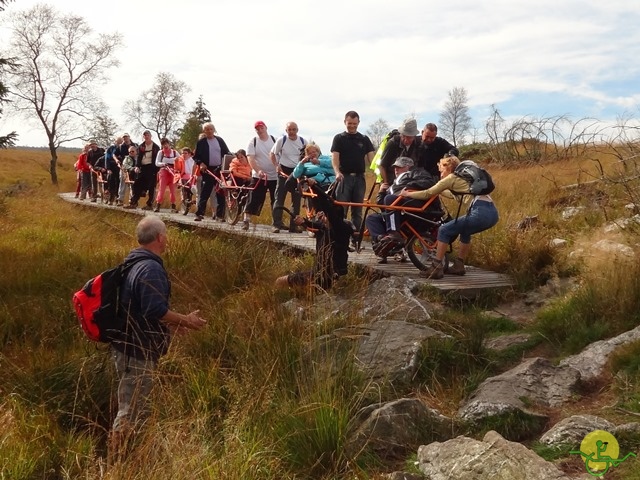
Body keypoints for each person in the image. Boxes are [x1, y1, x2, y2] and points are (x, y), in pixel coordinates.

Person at [109, 216, 207, 462]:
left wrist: (173, 325)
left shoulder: (133, 262)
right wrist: (186, 320)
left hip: (128, 347)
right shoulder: (150, 268)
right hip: (137, 351)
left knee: (135, 408)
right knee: (130, 412)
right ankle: (116, 464)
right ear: (161, 238)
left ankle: (131, 459)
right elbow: (154, 309)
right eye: (166, 235)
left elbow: (141, 309)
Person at [400, 155, 499, 279]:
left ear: (448, 168)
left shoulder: (452, 178)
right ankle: (459, 265)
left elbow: (427, 193)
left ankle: (436, 268)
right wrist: (439, 190)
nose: (440, 173)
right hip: (492, 214)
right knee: (465, 231)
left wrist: (407, 194)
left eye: (441, 170)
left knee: (444, 230)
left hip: (479, 212)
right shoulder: (465, 180)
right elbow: (453, 195)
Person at [275, 179, 354, 290]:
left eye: (324, 214)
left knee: (281, 281)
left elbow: (328, 209)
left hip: (330, 275)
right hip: (318, 272)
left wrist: (315, 187)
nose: (320, 214)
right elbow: (313, 224)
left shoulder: (340, 229)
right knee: (282, 281)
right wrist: (303, 222)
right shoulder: (323, 227)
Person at [330, 111, 375, 232]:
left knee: (358, 210)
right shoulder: (339, 138)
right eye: (349, 123)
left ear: (358, 123)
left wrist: (378, 173)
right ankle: (340, 236)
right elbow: (335, 159)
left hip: (360, 178)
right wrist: (337, 172)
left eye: (355, 123)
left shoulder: (364, 139)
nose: (352, 126)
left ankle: (355, 237)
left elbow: (372, 159)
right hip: (344, 178)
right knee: (341, 209)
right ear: (345, 122)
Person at [241, 120, 277, 231]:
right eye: (257, 129)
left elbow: (280, 154)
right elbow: (250, 158)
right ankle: (246, 220)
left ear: (266, 128)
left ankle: (276, 222)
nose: (260, 130)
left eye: (261, 128)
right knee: (254, 197)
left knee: (275, 199)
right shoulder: (253, 142)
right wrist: (258, 170)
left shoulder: (274, 140)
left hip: (274, 176)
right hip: (259, 176)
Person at [270, 121, 305, 233]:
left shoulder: (303, 141)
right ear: (286, 131)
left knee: (296, 199)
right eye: (289, 130)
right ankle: (276, 224)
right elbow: (272, 153)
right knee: (279, 198)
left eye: (294, 129)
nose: (292, 132)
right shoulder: (282, 140)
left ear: (297, 130)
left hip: (297, 172)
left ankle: (294, 226)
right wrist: (276, 166)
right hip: (283, 171)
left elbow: (308, 155)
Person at [193, 122, 231, 222]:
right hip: (207, 170)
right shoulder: (201, 142)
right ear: (204, 131)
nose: (209, 131)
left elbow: (227, 153)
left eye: (211, 129)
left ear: (214, 130)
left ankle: (220, 215)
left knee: (220, 192)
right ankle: (200, 213)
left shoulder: (220, 140)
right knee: (205, 192)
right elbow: (196, 157)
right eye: (207, 129)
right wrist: (201, 163)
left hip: (219, 169)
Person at [378, 118, 422, 192]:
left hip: (410, 183)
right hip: (392, 181)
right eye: (403, 136)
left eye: (409, 137)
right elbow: (382, 165)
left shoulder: (419, 144)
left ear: (414, 136)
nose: (405, 140)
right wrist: (385, 183)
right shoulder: (393, 143)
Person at [125, 131, 160, 210]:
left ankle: (149, 204)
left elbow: (158, 158)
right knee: (137, 184)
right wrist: (137, 166)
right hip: (143, 168)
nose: (146, 137)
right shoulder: (141, 146)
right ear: (143, 137)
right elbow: (139, 157)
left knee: (151, 186)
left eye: (148, 135)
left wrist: (157, 169)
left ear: (151, 136)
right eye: (145, 135)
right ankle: (133, 202)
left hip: (152, 169)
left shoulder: (156, 147)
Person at [153, 138, 180, 213]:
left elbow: (181, 160)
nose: (165, 145)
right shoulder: (160, 153)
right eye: (163, 144)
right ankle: (158, 205)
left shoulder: (174, 152)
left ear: (169, 143)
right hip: (164, 171)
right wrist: (163, 164)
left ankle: (173, 206)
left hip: (172, 172)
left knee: (173, 190)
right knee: (161, 189)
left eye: (166, 143)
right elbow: (157, 163)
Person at [174, 147, 197, 214]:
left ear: (189, 154)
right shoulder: (180, 160)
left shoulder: (193, 160)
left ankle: (189, 202)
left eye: (185, 153)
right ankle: (187, 202)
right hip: (184, 176)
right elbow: (177, 168)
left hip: (192, 177)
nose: (184, 155)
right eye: (182, 153)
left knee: (190, 191)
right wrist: (176, 161)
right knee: (184, 189)